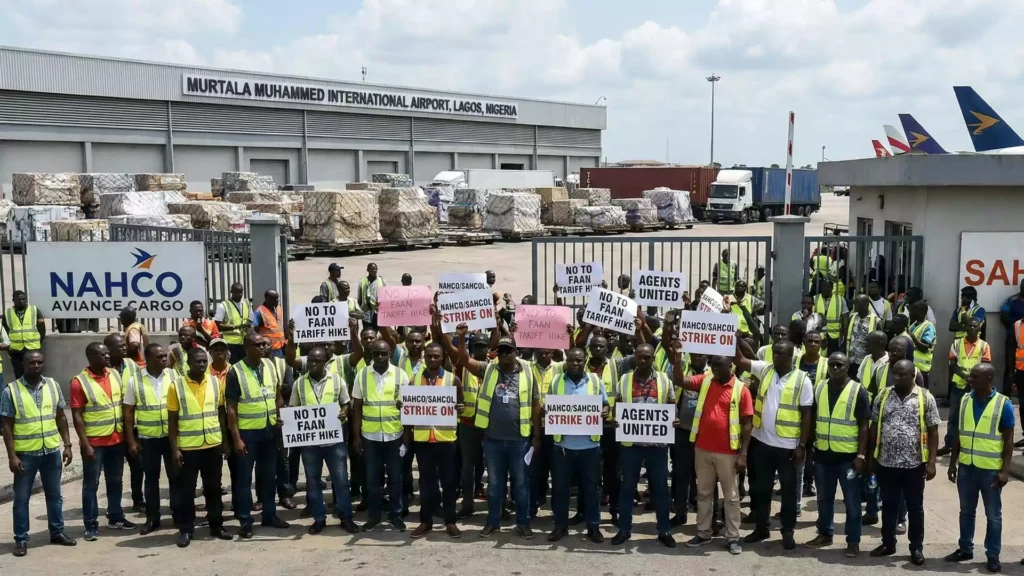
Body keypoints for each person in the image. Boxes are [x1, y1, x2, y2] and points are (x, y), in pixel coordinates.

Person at [460, 332, 541, 540]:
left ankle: (523, 523)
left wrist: (536, 436)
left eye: (508, 351)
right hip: (493, 440)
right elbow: (465, 361)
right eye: (501, 351)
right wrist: (461, 338)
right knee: (495, 484)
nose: (504, 355)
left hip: (520, 441)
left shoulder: (528, 373)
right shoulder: (488, 370)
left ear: (515, 352)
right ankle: (493, 522)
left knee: (521, 484)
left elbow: (535, 405)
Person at [734, 337, 813, 550]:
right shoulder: (766, 369)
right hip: (761, 444)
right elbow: (740, 361)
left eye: (780, 353)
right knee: (760, 489)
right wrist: (732, 336)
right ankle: (762, 527)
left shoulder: (802, 380)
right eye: (774, 352)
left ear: (790, 356)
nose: (775, 355)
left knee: (788, 492)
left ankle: (787, 531)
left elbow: (806, 415)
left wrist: (802, 446)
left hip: (788, 447)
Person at [674, 352, 753, 555]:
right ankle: (703, 532)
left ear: (730, 366)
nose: (713, 368)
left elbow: (747, 423)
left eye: (718, 365)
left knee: (731, 497)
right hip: (702, 449)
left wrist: (743, 453)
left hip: (728, 452)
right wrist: (676, 358)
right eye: (713, 364)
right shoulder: (707, 380)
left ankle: (733, 537)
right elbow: (680, 380)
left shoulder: (740, 389)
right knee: (704, 494)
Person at [0, 350, 76, 556]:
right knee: (21, 498)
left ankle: (57, 531)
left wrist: (67, 444)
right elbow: (6, 426)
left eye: (39, 362)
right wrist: (12, 456)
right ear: (23, 365)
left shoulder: (53, 385)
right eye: (32, 363)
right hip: (25, 454)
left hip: (51, 451)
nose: (36, 366)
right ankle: (21, 539)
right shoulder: (11, 391)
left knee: (55, 495)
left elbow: (61, 416)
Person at [868, 359, 939, 565]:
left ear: (912, 376)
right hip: (886, 462)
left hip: (914, 464)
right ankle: (888, 543)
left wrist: (932, 461)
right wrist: (871, 455)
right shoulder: (883, 395)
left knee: (915, 508)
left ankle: (916, 547)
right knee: (888, 505)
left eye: (902, 374)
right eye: (894, 373)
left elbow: (934, 431)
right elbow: (874, 427)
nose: (896, 377)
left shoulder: (925, 397)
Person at [945, 363, 1013, 573]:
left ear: (989, 379)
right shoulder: (965, 400)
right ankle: (965, 548)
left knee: (993, 515)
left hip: (990, 471)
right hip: (967, 467)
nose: (970, 379)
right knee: (966, 511)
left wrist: (1005, 470)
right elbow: (958, 434)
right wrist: (952, 463)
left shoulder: (1003, 404)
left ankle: (992, 554)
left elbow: (1009, 440)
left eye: (974, 376)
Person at [804, 353, 871, 557]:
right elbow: (814, 418)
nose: (834, 368)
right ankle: (825, 533)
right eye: (832, 365)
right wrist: (809, 448)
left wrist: (861, 455)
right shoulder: (820, 388)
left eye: (839, 365)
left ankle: (853, 541)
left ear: (847, 366)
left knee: (852, 501)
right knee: (824, 498)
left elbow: (864, 426)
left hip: (848, 458)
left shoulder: (858, 391)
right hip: (823, 454)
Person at [612, 343, 678, 548]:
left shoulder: (665, 380)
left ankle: (663, 529)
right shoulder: (624, 380)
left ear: (653, 359)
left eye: (647, 357)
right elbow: (617, 404)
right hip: (631, 444)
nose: (642, 361)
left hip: (657, 445)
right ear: (634, 358)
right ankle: (624, 529)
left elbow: (670, 405)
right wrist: (616, 419)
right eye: (639, 357)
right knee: (627, 488)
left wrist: (673, 420)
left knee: (660, 489)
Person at [288, 345, 359, 534]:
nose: (312, 363)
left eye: (316, 360)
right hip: (310, 443)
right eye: (310, 360)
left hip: (334, 441)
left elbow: (346, 402)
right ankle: (319, 519)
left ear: (324, 362)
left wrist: (344, 411)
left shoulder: (337, 381)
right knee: (313, 481)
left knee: (341, 481)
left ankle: (346, 517)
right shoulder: (299, 383)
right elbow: (293, 408)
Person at [167, 347, 233, 547]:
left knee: (213, 489)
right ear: (188, 363)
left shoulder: (214, 382)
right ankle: (186, 530)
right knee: (187, 491)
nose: (202, 365)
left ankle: (216, 525)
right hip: (189, 447)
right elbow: (172, 421)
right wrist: (175, 449)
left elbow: (221, 414)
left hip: (212, 445)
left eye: (205, 361)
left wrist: (224, 441)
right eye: (198, 361)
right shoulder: (176, 386)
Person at [70, 342, 136, 541]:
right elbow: (77, 415)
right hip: (95, 443)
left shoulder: (114, 374)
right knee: (91, 484)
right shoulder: (79, 382)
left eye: (108, 354)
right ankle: (90, 524)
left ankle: (116, 517)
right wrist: (84, 443)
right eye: (102, 354)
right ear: (91, 357)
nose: (107, 357)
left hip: (116, 439)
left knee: (115, 481)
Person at [225, 333, 289, 538]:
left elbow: (277, 396)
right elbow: (231, 408)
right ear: (246, 347)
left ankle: (269, 515)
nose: (263, 347)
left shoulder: (270, 366)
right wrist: (236, 438)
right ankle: (245, 520)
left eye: (264, 344)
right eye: (258, 344)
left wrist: (281, 417)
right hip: (247, 434)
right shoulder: (236, 371)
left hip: (269, 432)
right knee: (244, 480)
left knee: (269, 476)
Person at [546, 347, 609, 544]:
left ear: (585, 361)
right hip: (563, 447)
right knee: (560, 488)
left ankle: (593, 527)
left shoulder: (595, 381)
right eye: (571, 360)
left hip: (589, 447)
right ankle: (560, 526)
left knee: (591, 489)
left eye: (579, 360)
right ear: (567, 362)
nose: (575, 363)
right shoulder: (556, 381)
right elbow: (550, 407)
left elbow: (606, 404)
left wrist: (605, 411)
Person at [407, 341, 463, 539]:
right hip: (423, 441)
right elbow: (409, 409)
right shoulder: (414, 381)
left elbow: (460, 404)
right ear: (424, 357)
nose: (432, 359)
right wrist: (403, 405)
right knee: (426, 483)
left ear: (442, 358)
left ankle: (450, 521)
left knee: (449, 483)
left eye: (436, 356)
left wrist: (460, 408)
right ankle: (426, 521)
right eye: (429, 356)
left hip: (446, 439)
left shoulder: (452, 380)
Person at [123, 343, 180, 535]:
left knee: (176, 477)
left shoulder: (173, 376)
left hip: (172, 438)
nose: (164, 359)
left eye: (165, 356)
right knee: (151, 480)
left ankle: (178, 515)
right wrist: (131, 440)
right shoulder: (135, 380)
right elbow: (128, 411)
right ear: (147, 359)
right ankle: (152, 518)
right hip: (148, 438)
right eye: (159, 357)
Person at [352, 339, 409, 532]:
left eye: (383, 353)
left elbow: (409, 408)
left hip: (394, 436)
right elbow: (357, 407)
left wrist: (407, 435)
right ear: (371, 355)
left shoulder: (401, 375)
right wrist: (356, 436)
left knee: (395, 479)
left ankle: (395, 515)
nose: (380, 357)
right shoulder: (362, 375)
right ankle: (374, 516)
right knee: (373, 481)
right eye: (376, 353)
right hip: (370, 437)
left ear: (390, 354)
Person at [103, 332, 145, 512]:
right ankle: (115, 506)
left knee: (138, 465)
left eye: (124, 345)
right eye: (120, 346)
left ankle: (138, 499)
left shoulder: (131, 365)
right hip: (111, 428)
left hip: (132, 425)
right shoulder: (101, 368)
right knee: (114, 473)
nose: (125, 348)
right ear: (109, 349)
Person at [671, 352, 712, 528]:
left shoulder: (713, 374)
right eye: (694, 354)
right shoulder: (682, 371)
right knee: (680, 474)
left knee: (705, 477)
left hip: (703, 435)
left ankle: (707, 516)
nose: (697, 357)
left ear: (707, 357)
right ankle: (680, 512)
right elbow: (670, 396)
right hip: (681, 432)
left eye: (700, 355)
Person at [939, 318, 991, 457]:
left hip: (976, 387)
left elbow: (986, 366)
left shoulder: (984, 345)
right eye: (969, 326)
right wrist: (965, 377)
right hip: (959, 384)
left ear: (979, 329)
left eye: (975, 326)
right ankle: (949, 445)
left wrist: (973, 379)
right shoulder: (957, 343)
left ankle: (966, 446)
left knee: (972, 416)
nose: (972, 328)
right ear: (965, 328)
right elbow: (953, 364)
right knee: (954, 416)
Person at [3, 290, 44, 378]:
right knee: (19, 374)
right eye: (18, 299)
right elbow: (5, 331)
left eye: (23, 299)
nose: (21, 301)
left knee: (34, 373)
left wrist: (39, 342)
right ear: (13, 300)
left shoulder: (34, 310)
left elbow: (42, 329)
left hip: (33, 348)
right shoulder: (8, 313)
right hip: (16, 350)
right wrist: (8, 346)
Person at [843, 295, 879, 379]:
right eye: (855, 303)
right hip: (851, 358)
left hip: (865, 359)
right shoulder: (852, 316)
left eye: (858, 303)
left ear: (866, 304)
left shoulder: (875, 320)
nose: (855, 305)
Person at [215, 283, 253, 364]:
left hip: (245, 342)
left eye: (241, 292)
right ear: (231, 292)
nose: (239, 294)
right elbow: (217, 325)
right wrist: (235, 327)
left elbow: (250, 319)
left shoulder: (246, 303)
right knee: (233, 365)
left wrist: (248, 325)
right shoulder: (223, 305)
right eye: (236, 292)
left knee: (245, 365)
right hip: (230, 343)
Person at [999, 280, 1024, 399]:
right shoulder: (1012, 300)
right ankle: (1006, 395)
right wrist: (1013, 328)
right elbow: (1003, 315)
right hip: (1013, 339)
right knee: (1010, 367)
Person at [908, 300, 936, 389]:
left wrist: (912, 336)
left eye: (913, 310)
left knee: (921, 393)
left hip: (922, 368)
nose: (911, 313)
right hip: (912, 366)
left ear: (921, 312)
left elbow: (925, 347)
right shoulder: (913, 325)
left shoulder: (929, 326)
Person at [814, 279, 847, 355]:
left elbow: (845, 319)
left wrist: (845, 338)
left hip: (835, 336)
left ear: (832, 288)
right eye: (824, 286)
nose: (826, 288)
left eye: (828, 286)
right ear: (821, 287)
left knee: (832, 357)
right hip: (819, 335)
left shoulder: (840, 299)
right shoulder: (815, 299)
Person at [253, 290, 285, 358]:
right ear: (268, 299)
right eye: (275, 299)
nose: (277, 300)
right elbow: (254, 331)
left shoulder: (278, 308)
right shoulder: (259, 312)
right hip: (268, 350)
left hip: (280, 347)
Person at [358, 263, 386, 329]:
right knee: (368, 332)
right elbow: (359, 299)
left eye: (375, 269)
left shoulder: (381, 281)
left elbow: (386, 295)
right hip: (366, 315)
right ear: (367, 270)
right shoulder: (362, 282)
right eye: (372, 269)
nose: (374, 271)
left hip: (379, 314)